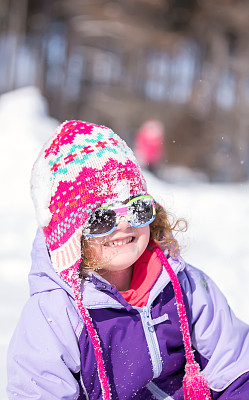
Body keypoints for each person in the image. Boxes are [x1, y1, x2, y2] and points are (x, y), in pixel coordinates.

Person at [7, 120, 249, 400]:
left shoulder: (182, 284)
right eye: (102, 218)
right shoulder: (55, 313)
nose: (124, 224)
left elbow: (236, 367)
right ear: (71, 236)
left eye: (137, 208)